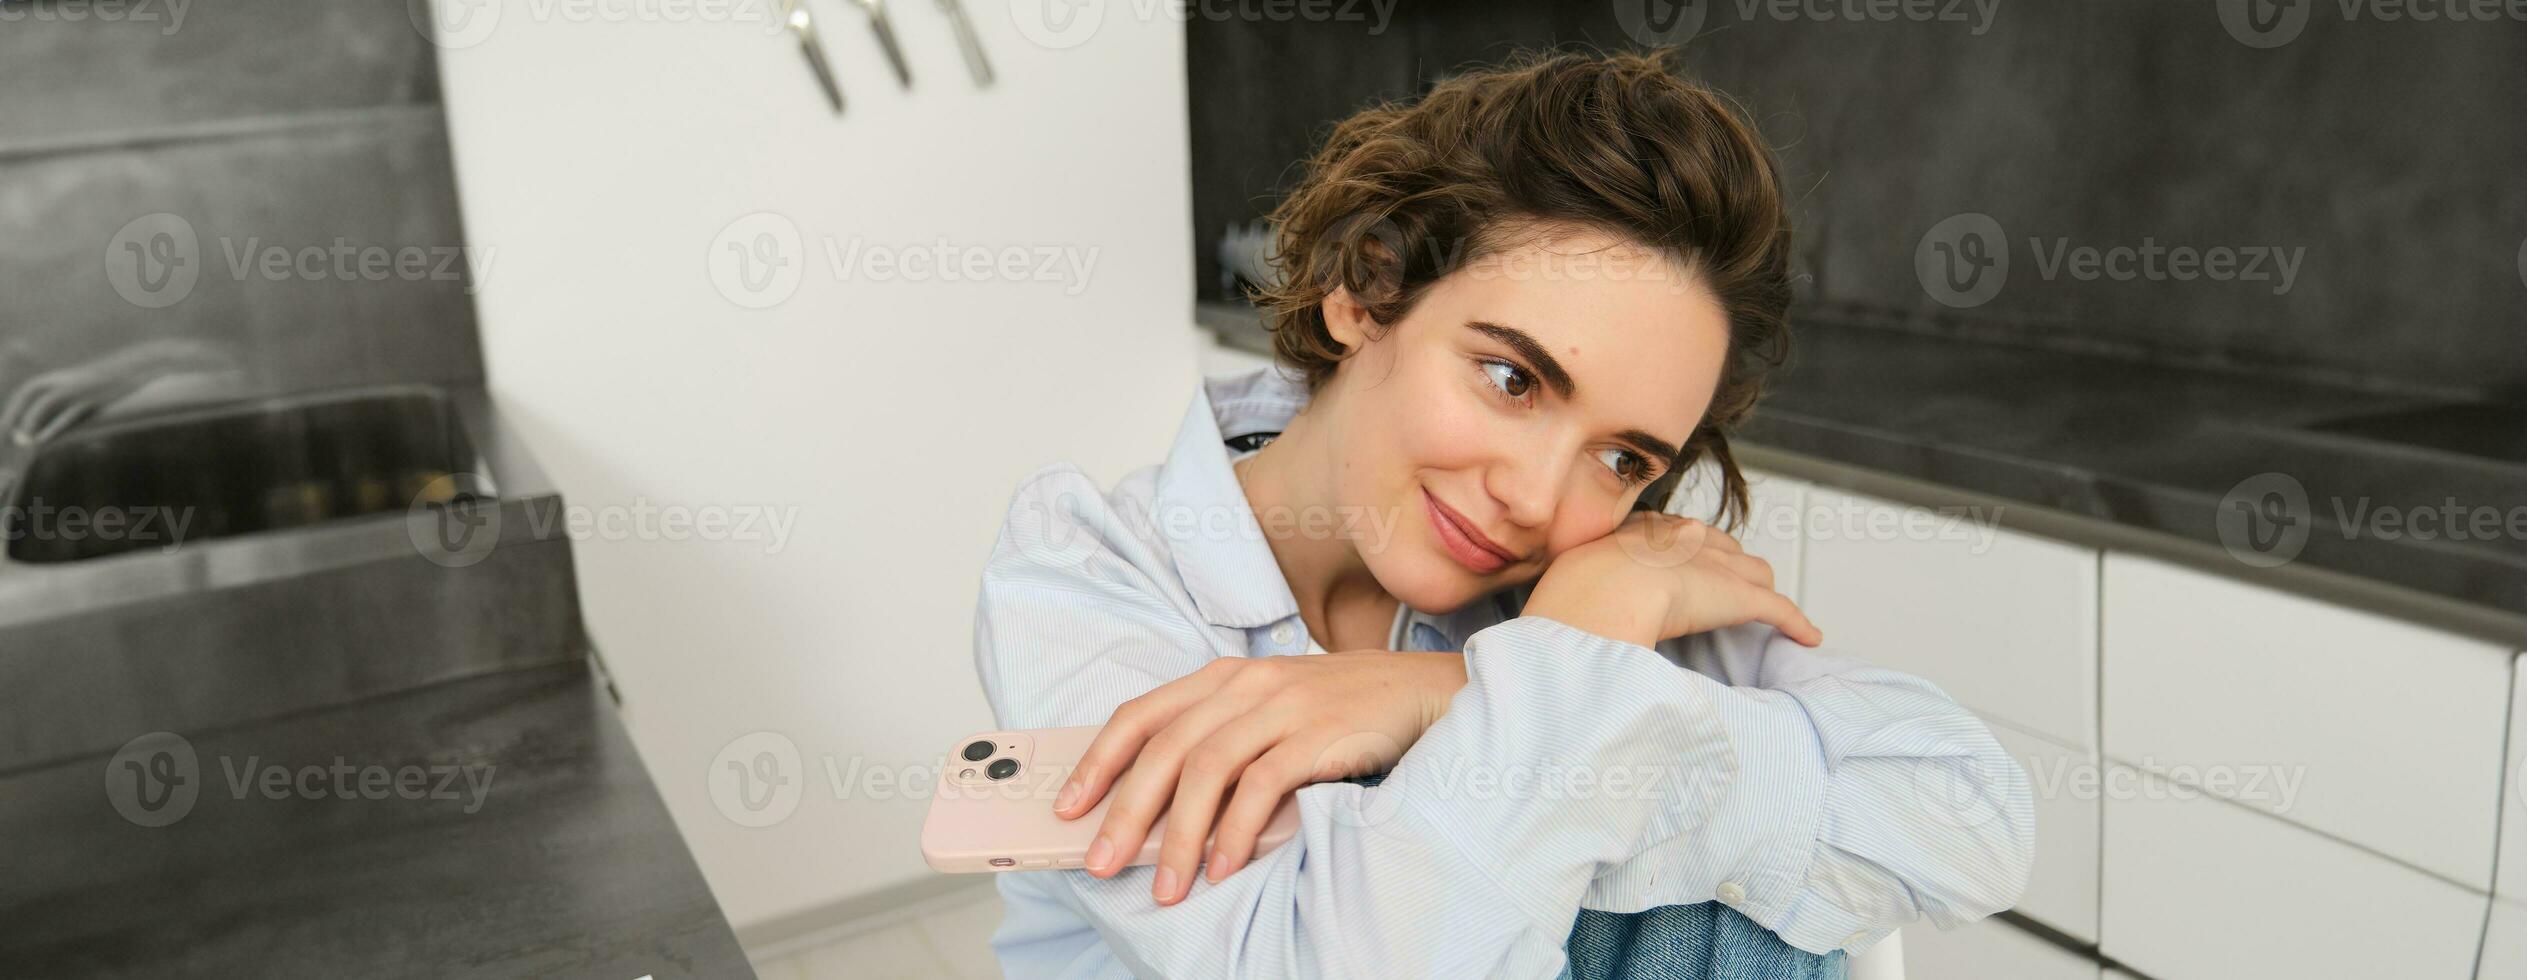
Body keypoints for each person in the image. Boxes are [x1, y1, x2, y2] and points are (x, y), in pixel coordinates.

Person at [970, 49, 2033, 978]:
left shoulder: (1603, 575)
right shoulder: (1086, 572)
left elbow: (1970, 815)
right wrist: (1569, 680)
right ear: (1362, 290)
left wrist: (1444, 686)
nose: (1535, 496)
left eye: (1622, 457)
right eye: (1511, 378)